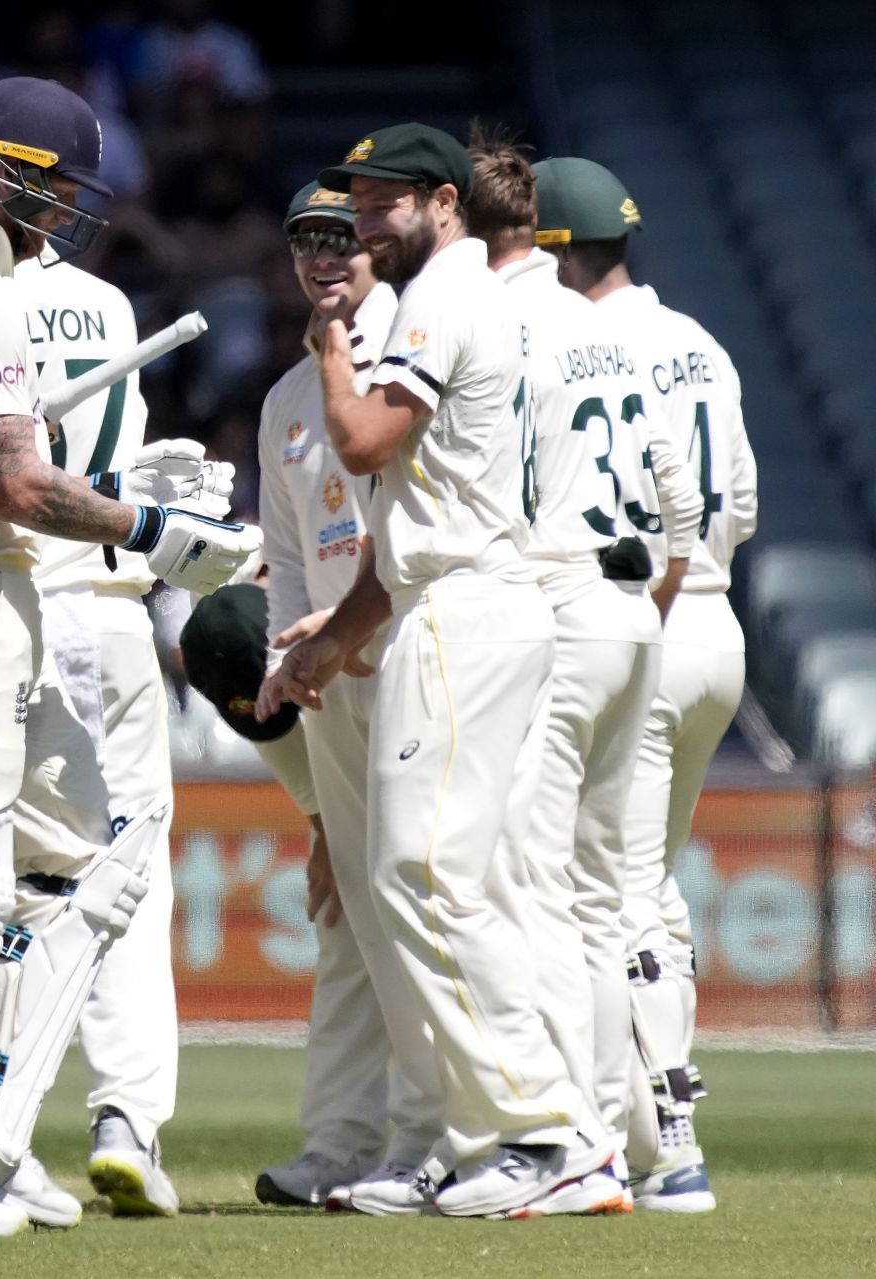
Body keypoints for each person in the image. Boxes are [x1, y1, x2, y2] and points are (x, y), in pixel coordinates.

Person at [0, 77, 260, 1236]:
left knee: (66, 870)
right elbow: (17, 482)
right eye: (54, 184)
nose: (66, 209)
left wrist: (130, 499)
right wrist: (161, 533)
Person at [258, 123, 607, 1219]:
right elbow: (405, 531)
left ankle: (546, 1133)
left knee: (426, 873)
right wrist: (328, 644)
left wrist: (329, 355)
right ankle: (474, 1137)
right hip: (436, 604)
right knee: (412, 880)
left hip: (468, 612)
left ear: (444, 203)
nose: (363, 226)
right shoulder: (443, 297)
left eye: (381, 206)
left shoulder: (440, 300)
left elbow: (359, 444)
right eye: (354, 209)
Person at [466, 135, 704, 1214]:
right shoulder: (604, 328)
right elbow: (685, 507)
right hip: (633, 611)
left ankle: (577, 1143)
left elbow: (496, 494)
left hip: (557, 606)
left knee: (537, 888)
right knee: (613, 899)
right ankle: (615, 1138)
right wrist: (640, 604)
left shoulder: (504, 322)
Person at [534, 155, 757, 1214]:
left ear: (561, 250)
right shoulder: (701, 344)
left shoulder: (587, 337)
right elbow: (741, 502)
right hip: (717, 622)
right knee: (643, 883)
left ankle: (661, 1143)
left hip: (644, 613)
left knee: (619, 893)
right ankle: (647, 1128)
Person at [245, 182, 446, 1214]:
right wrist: (294, 656)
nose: (324, 257)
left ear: (377, 247)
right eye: (304, 242)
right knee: (351, 912)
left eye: (342, 239)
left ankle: (430, 1138)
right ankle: (338, 1142)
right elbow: (287, 552)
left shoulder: (411, 353)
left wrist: (353, 633)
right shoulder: (287, 397)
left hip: (413, 655)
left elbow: (409, 527)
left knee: (417, 898)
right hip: (330, 675)